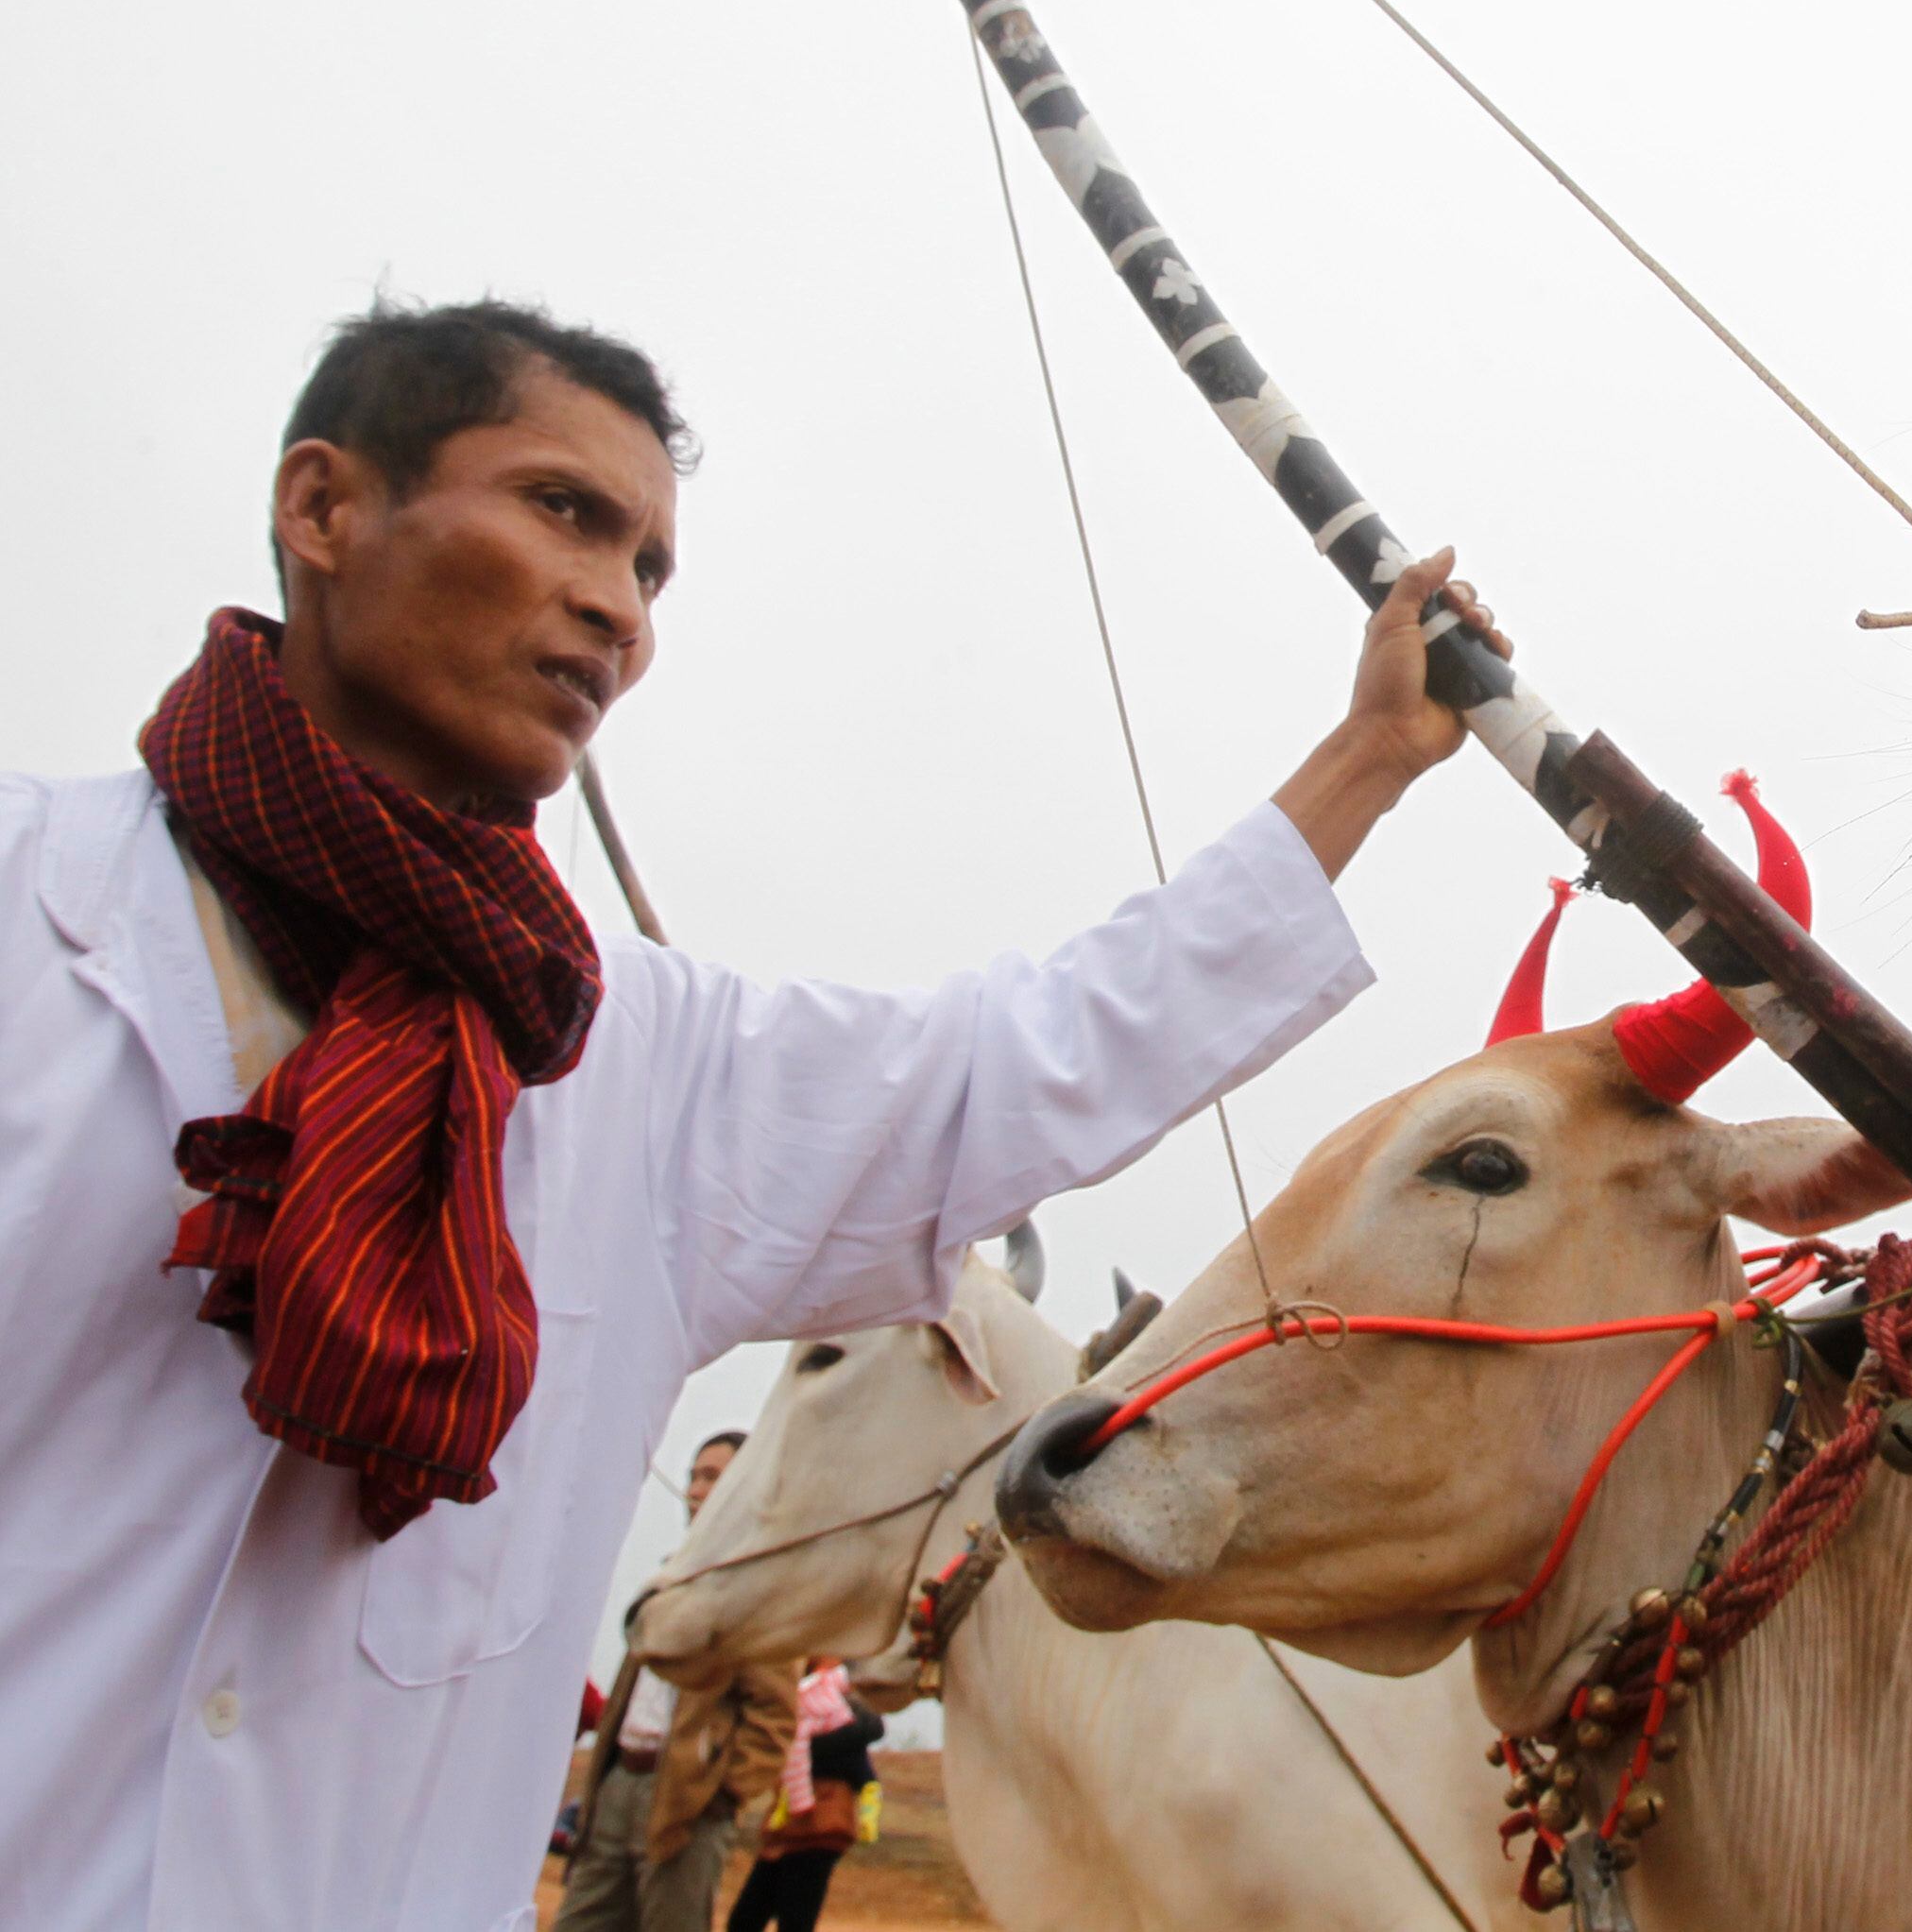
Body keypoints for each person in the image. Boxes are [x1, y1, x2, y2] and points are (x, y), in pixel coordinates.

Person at [0, 299, 1506, 1932]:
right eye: (563, 509)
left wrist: (1370, 755)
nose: (615, 607)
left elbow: (1032, 1050)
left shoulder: (639, 1068)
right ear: (324, 506)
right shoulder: (32, 908)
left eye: (650, 568)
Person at [558, 1435, 797, 1932]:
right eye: (693, 1475)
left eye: (712, 1478)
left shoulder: (760, 1592)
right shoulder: (666, 1581)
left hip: (686, 1800)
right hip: (618, 1783)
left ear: (746, 1488)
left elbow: (774, 1715)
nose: (694, 1488)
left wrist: (719, 1794)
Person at [723, 1662, 883, 1932]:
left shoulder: (838, 1700)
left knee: (791, 1921)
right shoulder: (797, 1692)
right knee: (747, 1920)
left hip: (819, 1824)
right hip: (789, 1823)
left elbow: (870, 1729)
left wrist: (803, 1741)